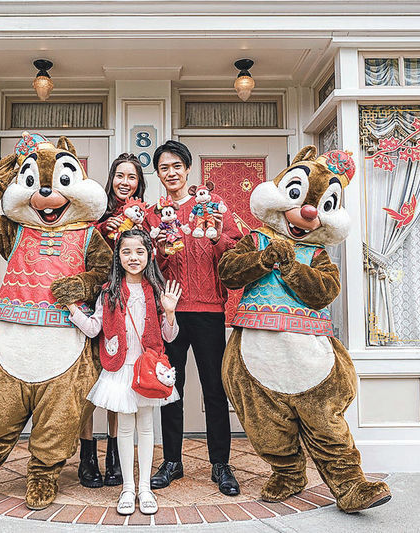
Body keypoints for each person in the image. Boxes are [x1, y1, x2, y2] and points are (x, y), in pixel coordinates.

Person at [143, 140, 241, 496]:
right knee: (171, 388)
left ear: (187, 169)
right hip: (169, 311)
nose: (171, 173)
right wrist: (159, 252)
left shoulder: (212, 206)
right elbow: (143, 263)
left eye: (176, 167)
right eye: (164, 168)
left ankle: (221, 463)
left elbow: (236, 251)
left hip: (209, 310)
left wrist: (216, 236)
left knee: (215, 389)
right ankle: (172, 461)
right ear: (158, 174)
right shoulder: (153, 214)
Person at [67, 229, 182, 516]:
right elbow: (94, 328)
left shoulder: (156, 290)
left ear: (149, 255)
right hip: (119, 369)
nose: (133, 257)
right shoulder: (109, 292)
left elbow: (169, 336)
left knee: (147, 428)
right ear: (118, 256)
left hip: (147, 370)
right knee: (126, 429)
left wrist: (170, 312)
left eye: (140, 252)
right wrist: (71, 307)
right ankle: (127, 488)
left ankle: (145, 488)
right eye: (126, 251)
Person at [77, 153, 147, 488]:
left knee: (117, 378)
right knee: (89, 381)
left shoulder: (144, 217)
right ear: (111, 179)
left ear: (139, 183)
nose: (125, 182)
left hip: (126, 303)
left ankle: (114, 456)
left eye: (132, 177)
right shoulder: (94, 214)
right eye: (120, 175)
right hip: (95, 301)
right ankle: (87, 455)